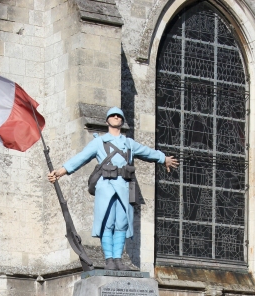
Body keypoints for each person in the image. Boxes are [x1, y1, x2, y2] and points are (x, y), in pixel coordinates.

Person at [48, 107, 178, 271]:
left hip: (124, 187)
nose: (116, 117)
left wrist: (163, 158)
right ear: (107, 121)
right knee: (107, 223)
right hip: (106, 187)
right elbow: (80, 158)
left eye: (119, 116)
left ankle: (118, 259)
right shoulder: (99, 142)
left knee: (122, 224)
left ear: (122, 121)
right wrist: (60, 172)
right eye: (113, 115)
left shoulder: (129, 143)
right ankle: (109, 259)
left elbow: (147, 152)